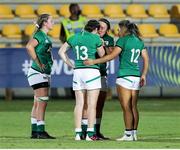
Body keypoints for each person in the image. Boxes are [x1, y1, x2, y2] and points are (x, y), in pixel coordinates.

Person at [84, 20, 149, 141]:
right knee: (133, 106)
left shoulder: (123, 40)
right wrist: (144, 74)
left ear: (124, 29)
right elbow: (146, 59)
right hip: (136, 76)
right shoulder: (139, 41)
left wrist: (93, 61)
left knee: (126, 107)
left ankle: (128, 134)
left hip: (124, 76)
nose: (118, 31)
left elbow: (111, 56)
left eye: (119, 29)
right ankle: (134, 133)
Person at [58, 20, 105, 141]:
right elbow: (102, 53)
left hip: (78, 72)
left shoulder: (74, 37)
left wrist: (70, 64)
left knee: (79, 104)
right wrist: (100, 42)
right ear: (95, 29)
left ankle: (78, 134)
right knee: (92, 105)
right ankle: (90, 134)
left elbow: (61, 52)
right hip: (91, 72)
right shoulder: (95, 38)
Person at [81, 18, 114, 140]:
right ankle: (85, 131)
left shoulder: (109, 39)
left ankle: (96, 131)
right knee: (86, 103)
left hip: (101, 73)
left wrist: (102, 43)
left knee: (99, 105)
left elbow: (110, 54)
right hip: (89, 73)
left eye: (103, 28)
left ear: (107, 30)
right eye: (99, 27)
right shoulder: (89, 37)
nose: (100, 29)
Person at [26, 14, 55, 139]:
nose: (53, 23)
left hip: (41, 72)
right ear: (45, 23)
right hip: (38, 72)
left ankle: (35, 130)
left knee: (37, 102)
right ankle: (40, 130)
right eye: (51, 21)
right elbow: (29, 46)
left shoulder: (44, 36)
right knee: (42, 101)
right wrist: (38, 62)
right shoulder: (40, 36)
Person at [57, 3, 87, 98]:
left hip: (82, 49)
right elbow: (61, 36)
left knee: (83, 70)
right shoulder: (65, 22)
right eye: (75, 8)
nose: (78, 10)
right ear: (71, 10)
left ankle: (84, 91)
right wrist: (67, 44)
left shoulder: (84, 20)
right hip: (71, 49)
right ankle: (74, 93)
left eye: (78, 8)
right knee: (74, 71)